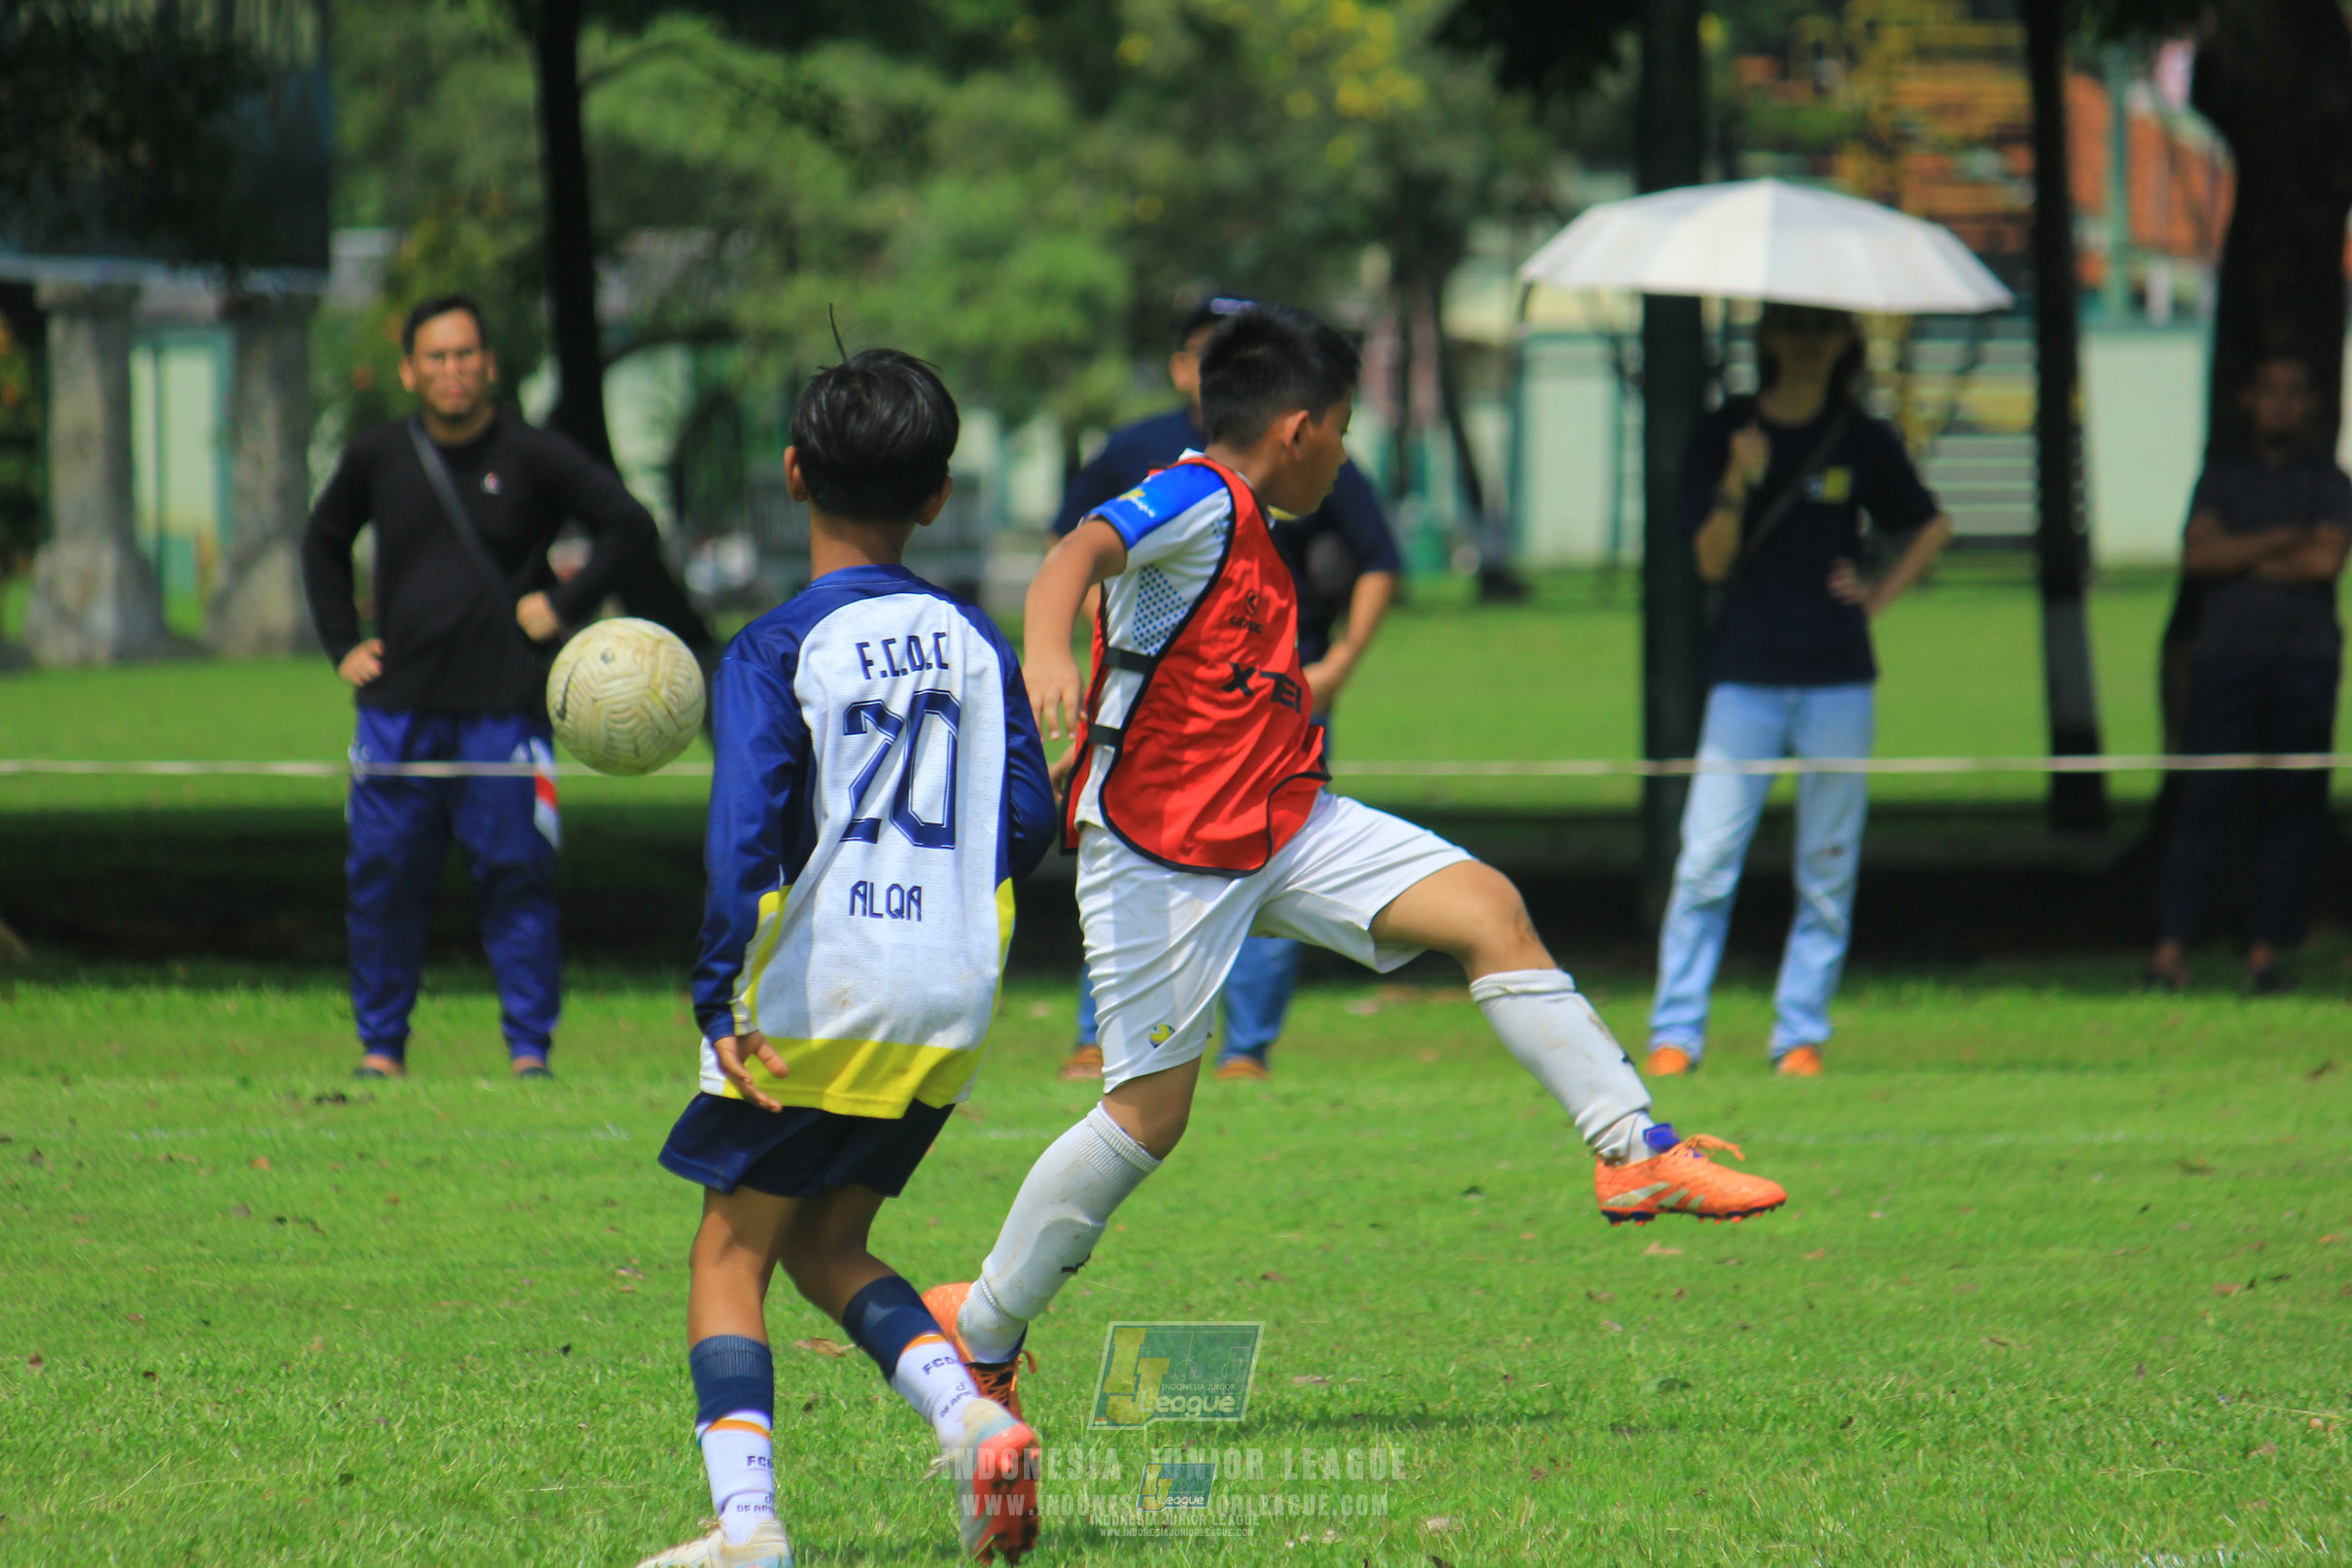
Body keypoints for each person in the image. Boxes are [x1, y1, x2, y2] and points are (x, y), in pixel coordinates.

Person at [918, 305, 1787, 1417]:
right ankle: (981, 1323)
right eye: (1341, 428)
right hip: (1163, 851)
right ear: (1296, 428)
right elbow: (1076, 552)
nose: (1346, 452)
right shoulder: (1195, 497)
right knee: (1146, 1117)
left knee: (1488, 908)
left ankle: (1633, 1146)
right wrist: (1046, 643)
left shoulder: (1246, 511)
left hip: (1280, 817)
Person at [635, 350, 1056, 1568]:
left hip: (826, 990)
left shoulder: (775, 646)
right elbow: (1024, 820)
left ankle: (749, 1526)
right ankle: (974, 1419)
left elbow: (745, 832)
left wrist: (719, 985)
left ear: (791, 474)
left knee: (731, 1251)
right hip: (950, 991)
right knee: (829, 1244)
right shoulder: (976, 638)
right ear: (936, 497)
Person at [302, 295, 657, 1079]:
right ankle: (379, 1049)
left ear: (490, 365)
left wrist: (562, 604)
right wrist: (341, 644)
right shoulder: (379, 455)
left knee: (518, 882)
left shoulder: (534, 454)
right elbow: (323, 539)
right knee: (384, 884)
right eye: (436, 357)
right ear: (408, 370)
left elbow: (629, 523)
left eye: (466, 355)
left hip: (507, 713)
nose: (452, 371)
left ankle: (530, 1051)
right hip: (397, 715)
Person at [1053, 296, 1402, 1084]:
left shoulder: (1291, 470)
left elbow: (1378, 553)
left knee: (1277, 862)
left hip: (1274, 710)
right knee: (1144, 876)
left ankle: (1246, 1043)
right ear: (1187, 368)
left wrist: (1338, 663)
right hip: (1161, 730)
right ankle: (1104, 1035)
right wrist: (1067, 642)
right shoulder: (1176, 476)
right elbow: (1073, 546)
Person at [1645, 303, 1953, 1080]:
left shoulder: (1861, 433)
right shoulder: (1725, 432)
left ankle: (1799, 1036)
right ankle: (1676, 1033)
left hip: (1837, 678)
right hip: (1744, 675)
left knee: (1827, 861)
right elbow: (1710, 562)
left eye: (1824, 328)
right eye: (1793, 328)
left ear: (1847, 341)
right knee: (1706, 858)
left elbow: (1928, 525)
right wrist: (1736, 482)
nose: (1809, 343)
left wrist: (1876, 593)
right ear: (1769, 340)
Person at [2145, 353, 2350, 994]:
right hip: (2225, 659)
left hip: (2303, 661)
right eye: (2270, 391)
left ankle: (2265, 953)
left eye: (2294, 393)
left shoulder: (2328, 481)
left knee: (2288, 806)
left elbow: (2322, 565)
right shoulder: (2221, 476)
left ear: (2312, 404)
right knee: (2203, 800)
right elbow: (2197, 555)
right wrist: (2281, 538)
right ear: (2247, 399)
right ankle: (2171, 948)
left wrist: (2239, 553)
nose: (2281, 405)